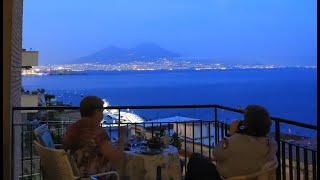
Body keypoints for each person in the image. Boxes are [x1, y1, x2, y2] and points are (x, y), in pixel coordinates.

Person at [185, 105, 277, 180]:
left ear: (246, 124)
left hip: (226, 177)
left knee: (196, 159)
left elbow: (216, 153)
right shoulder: (271, 145)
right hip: (253, 176)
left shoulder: (236, 141)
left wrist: (230, 134)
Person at [62, 96, 127, 179]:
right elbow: (116, 158)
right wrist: (122, 137)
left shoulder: (73, 128)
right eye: (102, 111)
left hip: (75, 173)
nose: (102, 115)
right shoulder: (96, 129)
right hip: (94, 176)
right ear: (96, 112)